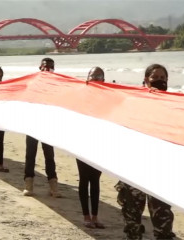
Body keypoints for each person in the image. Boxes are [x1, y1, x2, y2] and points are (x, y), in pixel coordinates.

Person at [115, 64, 175, 240]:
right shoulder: (134, 102)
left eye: (163, 78)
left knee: (163, 223)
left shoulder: (174, 105)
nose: (159, 81)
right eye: (155, 78)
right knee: (132, 223)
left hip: (160, 170)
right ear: (145, 81)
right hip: (134, 169)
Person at [23, 57, 61, 198]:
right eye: (45, 66)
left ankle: (53, 185)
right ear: (40, 67)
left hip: (48, 125)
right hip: (32, 124)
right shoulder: (33, 83)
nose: (47, 69)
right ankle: (28, 184)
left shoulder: (56, 85)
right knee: (30, 155)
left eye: (50, 67)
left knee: (49, 156)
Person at [77, 66, 105, 229]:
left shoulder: (108, 97)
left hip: (99, 144)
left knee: (95, 180)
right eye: (93, 76)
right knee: (84, 179)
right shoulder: (81, 95)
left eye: (99, 76)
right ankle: (86, 216)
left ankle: (95, 216)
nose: (96, 78)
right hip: (82, 143)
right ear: (87, 78)